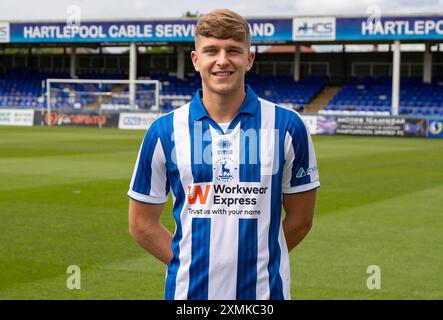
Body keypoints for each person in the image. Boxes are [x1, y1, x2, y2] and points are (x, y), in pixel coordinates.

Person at [128, 9, 319, 300]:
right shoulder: (163, 131)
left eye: (233, 50)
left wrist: (254, 263)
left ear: (249, 58)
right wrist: (192, 265)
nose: (222, 60)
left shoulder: (288, 126)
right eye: (211, 51)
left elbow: (301, 219)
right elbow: (141, 224)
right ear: (196, 59)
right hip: (188, 297)